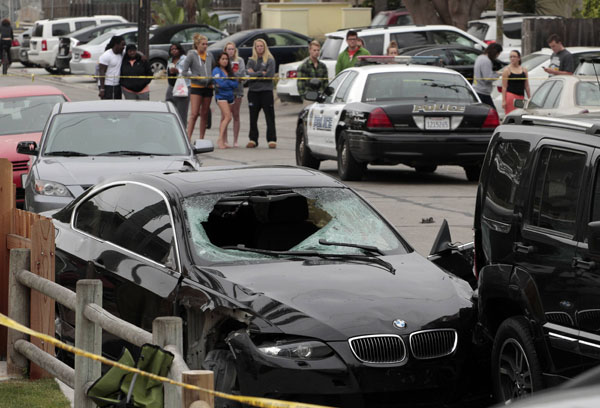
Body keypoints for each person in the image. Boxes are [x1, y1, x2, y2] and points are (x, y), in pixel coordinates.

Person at [182, 34, 214, 141]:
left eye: (206, 44)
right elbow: (184, 72)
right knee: (194, 113)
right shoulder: (191, 55)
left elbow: (213, 68)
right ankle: (188, 137)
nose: (205, 46)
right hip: (196, 86)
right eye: (203, 44)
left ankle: (201, 138)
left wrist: (212, 78)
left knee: (204, 113)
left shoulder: (209, 55)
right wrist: (196, 77)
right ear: (197, 45)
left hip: (208, 86)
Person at [246, 38, 277, 149]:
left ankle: (272, 139)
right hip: (253, 92)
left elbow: (269, 75)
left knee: (269, 116)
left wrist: (255, 74)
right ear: (254, 48)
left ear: (265, 47)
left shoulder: (270, 60)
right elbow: (248, 76)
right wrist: (260, 73)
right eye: (257, 46)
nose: (259, 48)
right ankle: (253, 139)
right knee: (253, 117)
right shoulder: (251, 60)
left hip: (266, 91)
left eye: (261, 46)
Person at [212, 52, 238, 149]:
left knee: (224, 119)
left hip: (230, 96)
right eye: (223, 59)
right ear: (219, 60)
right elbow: (220, 84)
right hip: (221, 96)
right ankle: (219, 139)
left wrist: (226, 81)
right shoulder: (216, 70)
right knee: (228, 117)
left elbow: (235, 84)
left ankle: (223, 140)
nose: (225, 61)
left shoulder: (229, 71)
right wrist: (228, 82)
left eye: (226, 59)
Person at [224, 41, 245, 147]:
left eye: (232, 49)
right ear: (225, 50)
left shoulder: (240, 60)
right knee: (226, 115)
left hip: (238, 90)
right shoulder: (223, 61)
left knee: (236, 114)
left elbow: (242, 74)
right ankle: (225, 140)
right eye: (229, 49)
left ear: (235, 50)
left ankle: (235, 140)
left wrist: (231, 75)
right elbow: (221, 74)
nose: (231, 51)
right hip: (225, 91)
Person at [165, 42, 190, 128]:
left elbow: (190, 72)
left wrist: (178, 71)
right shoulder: (170, 60)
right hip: (171, 86)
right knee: (169, 108)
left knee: (182, 112)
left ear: (180, 50)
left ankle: (182, 130)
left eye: (176, 49)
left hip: (182, 87)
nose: (174, 51)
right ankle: (171, 128)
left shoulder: (185, 59)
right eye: (172, 49)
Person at [473, 42, 503, 109]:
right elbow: (488, 78)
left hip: (477, 89)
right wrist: (497, 75)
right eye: (498, 54)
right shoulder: (486, 61)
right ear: (495, 52)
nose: (497, 56)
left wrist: (494, 73)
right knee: (492, 113)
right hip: (482, 92)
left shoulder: (479, 57)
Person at [502, 50, 531, 115]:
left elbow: (526, 86)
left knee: (520, 115)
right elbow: (504, 87)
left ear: (519, 58)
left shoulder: (524, 70)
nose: (512, 58)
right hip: (511, 96)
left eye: (514, 56)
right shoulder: (507, 70)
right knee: (511, 115)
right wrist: (503, 100)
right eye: (511, 57)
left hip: (521, 96)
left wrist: (529, 98)